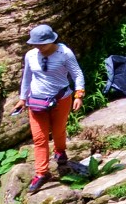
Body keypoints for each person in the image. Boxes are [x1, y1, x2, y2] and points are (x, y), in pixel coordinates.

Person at [12, 24, 84, 194]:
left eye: (42, 44)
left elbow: (77, 74)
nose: (38, 48)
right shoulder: (30, 55)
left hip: (61, 99)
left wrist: (79, 94)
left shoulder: (64, 53)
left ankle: (60, 151)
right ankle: (41, 173)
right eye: (35, 45)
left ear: (52, 41)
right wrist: (22, 98)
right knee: (39, 138)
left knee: (58, 130)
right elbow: (27, 77)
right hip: (36, 102)